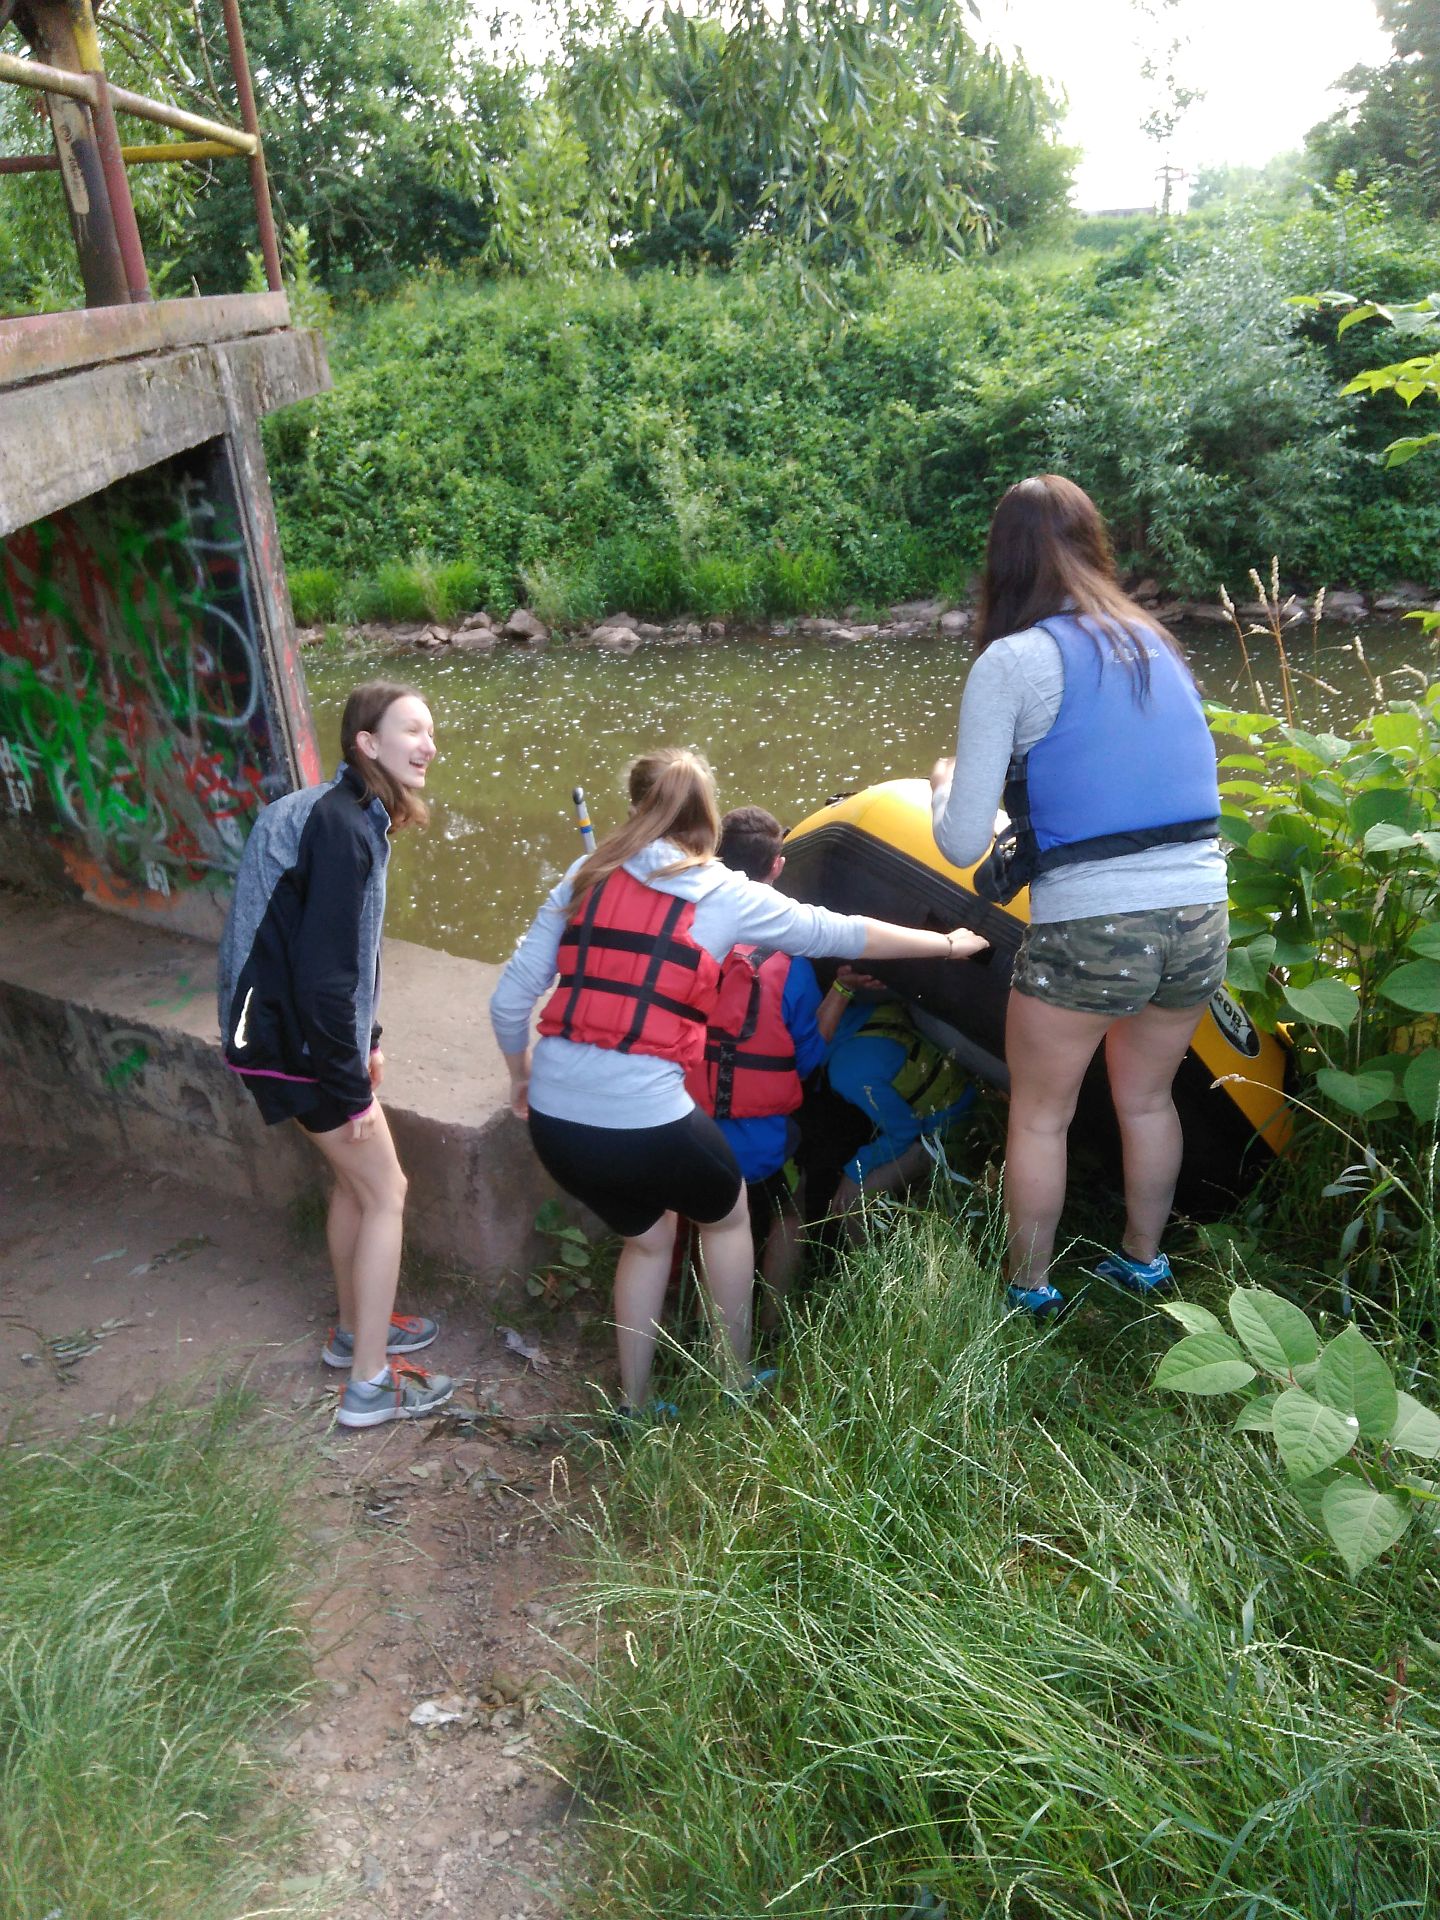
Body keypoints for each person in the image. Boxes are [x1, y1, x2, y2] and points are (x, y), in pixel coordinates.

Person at [490, 748, 989, 1417]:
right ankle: (733, 1380)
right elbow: (844, 933)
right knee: (725, 1219)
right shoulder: (723, 892)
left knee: (648, 1239)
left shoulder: (586, 875)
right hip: (643, 1119)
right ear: (708, 818)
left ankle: (633, 1406)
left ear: (636, 805)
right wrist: (950, 945)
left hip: (558, 1122)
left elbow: (509, 1002)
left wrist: (521, 1078)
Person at [930, 474, 1228, 1316]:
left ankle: (1029, 1289)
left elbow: (961, 843)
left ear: (1003, 563)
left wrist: (944, 785)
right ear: (1094, 546)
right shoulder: (1157, 643)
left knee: (1040, 1116)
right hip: (1200, 912)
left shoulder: (1014, 661)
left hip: (1094, 925)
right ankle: (1143, 1261)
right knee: (1147, 1097)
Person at [217, 681, 454, 1428]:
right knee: (386, 1192)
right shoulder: (345, 827)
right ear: (367, 742)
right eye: (411, 730)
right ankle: (369, 1385)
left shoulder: (341, 809)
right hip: (291, 1043)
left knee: (354, 1187)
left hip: (273, 1038)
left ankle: (355, 1332)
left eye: (431, 732)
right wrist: (349, 1087)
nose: (428, 745)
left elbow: (338, 950)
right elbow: (325, 978)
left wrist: (366, 1040)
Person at [685, 806, 828, 1322]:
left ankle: (696, 1322)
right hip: (762, 1144)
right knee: (790, 1212)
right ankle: (771, 1318)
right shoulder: (790, 964)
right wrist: (844, 995)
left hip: (689, 1129)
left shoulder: (688, 937)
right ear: (777, 867)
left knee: (709, 1218)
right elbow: (809, 1060)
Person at [821, 987, 976, 1224]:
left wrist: (854, 1171)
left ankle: (871, 1251)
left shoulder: (846, 1072)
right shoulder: (864, 1010)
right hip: (964, 1092)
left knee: (849, 1205)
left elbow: (905, 1131)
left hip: (946, 1130)